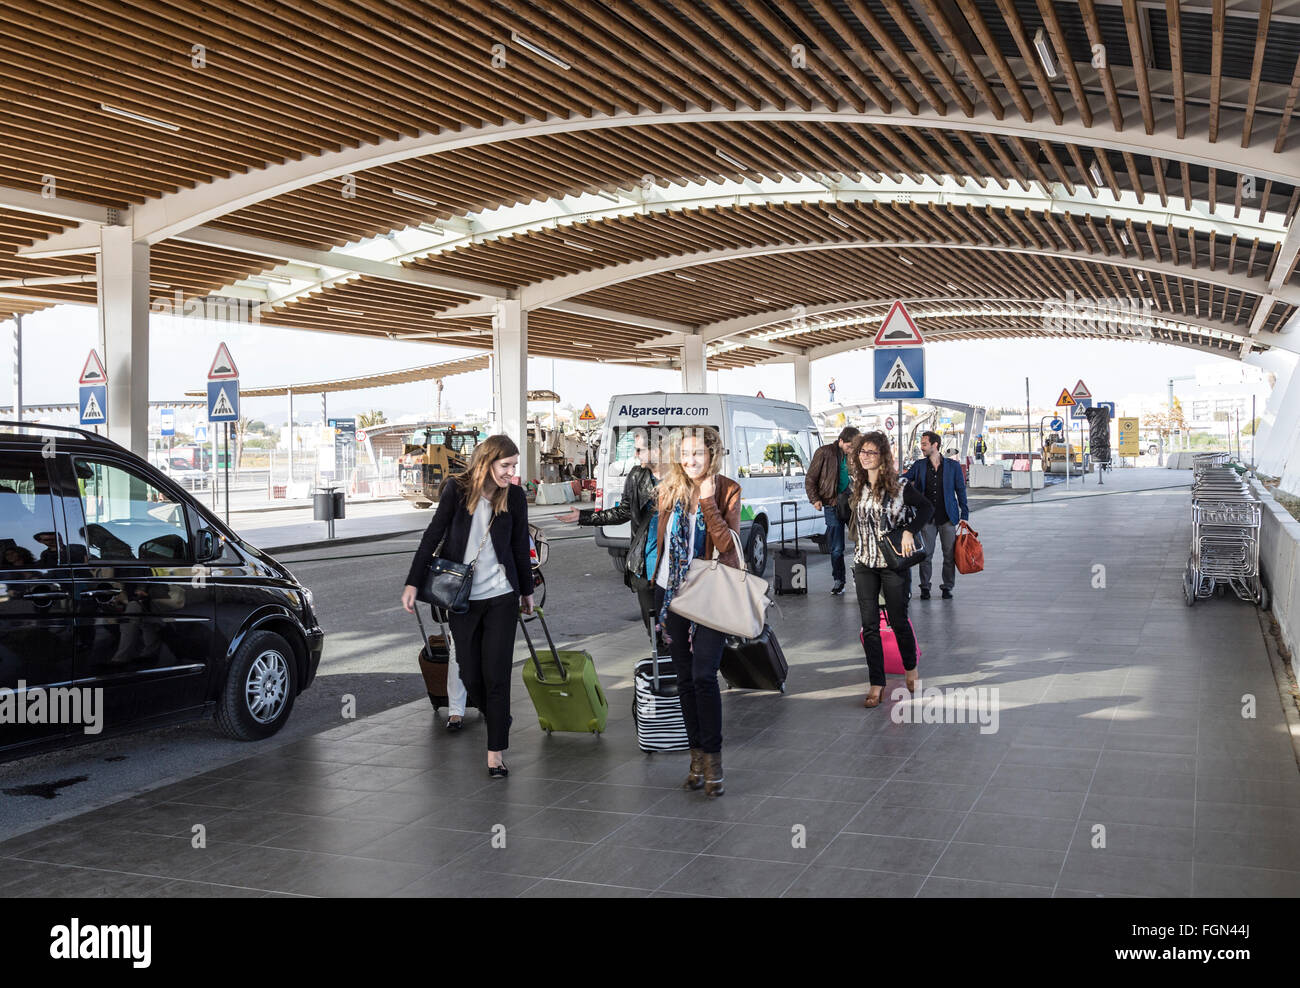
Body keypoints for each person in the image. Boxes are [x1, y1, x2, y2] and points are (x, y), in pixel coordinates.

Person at [402, 435, 533, 778]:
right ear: (487, 462)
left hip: (502, 597)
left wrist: (527, 591)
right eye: (506, 466)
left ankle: (495, 753)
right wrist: (413, 581)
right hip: (462, 599)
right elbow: (432, 535)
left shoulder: (514, 497)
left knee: (497, 674)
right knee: (470, 672)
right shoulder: (456, 490)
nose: (511, 473)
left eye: (514, 466)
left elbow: (520, 545)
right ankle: (498, 717)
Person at [652, 426, 741, 798]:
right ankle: (696, 759)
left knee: (705, 675)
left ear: (712, 455)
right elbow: (658, 541)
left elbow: (727, 545)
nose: (690, 461)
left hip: (711, 594)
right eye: (685, 454)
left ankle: (714, 761)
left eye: (698, 454)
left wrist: (707, 502)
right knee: (686, 679)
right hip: (671, 593)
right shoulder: (669, 489)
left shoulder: (727, 490)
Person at [838, 431, 932, 707]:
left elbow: (926, 508)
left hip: (893, 564)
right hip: (865, 562)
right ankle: (876, 683)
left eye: (871, 453)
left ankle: (910, 667)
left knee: (898, 620)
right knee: (869, 626)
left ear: (883, 457)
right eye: (862, 453)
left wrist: (909, 532)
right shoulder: (857, 487)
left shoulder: (900, 487)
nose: (865, 457)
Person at [557, 427, 662, 644]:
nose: (636, 455)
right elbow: (624, 511)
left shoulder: (681, 479)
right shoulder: (636, 475)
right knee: (655, 631)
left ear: (658, 450)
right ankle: (660, 670)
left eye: (640, 450)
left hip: (675, 566)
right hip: (645, 564)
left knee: (678, 631)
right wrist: (584, 517)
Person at [902, 430, 971, 600]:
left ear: (935, 445)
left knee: (949, 555)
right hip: (927, 519)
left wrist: (965, 514)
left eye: (924, 444)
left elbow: (960, 490)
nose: (922, 447)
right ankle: (925, 587)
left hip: (948, 517)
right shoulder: (918, 465)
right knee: (926, 554)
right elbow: (903, 479)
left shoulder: (952, 466)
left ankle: (947, 587)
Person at [805, 426, 860, 595]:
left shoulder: (857, 454)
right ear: (841, 441)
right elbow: (810, 478)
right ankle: (839, 580)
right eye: (849, 446)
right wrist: (815, 499)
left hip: (853, 504)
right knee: (836, 548)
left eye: (854, 447)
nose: (851, 450)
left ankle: (861, 578)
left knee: (861, 543)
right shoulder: (824, 452)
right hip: (832, 504)